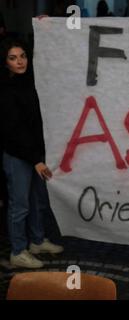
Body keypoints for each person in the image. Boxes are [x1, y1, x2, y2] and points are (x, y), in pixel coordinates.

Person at [0, 38, 64, 269]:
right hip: (18, 156)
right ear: (4, 62)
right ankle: (18, 251)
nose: (20, 61)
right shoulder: (5, 89)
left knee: (38, 200)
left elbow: (49, 56)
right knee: (20, 205)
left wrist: (47, 30)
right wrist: (35, 160)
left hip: (36, 153)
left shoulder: (29, 81)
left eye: (23, 56)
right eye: (13, 57)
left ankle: (36, 241)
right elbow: (13, 131)